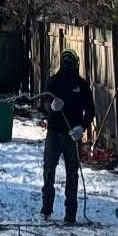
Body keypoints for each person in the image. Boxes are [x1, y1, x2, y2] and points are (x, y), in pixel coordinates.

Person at [40, 48, 94, 223]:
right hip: (54, 133)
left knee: (72, 174)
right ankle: (46, 210)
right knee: (48, 171)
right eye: (64, 61)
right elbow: (44, 101)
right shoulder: (53, 81)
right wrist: (51, 106)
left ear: (76, 64)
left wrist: (82, 127)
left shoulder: (83, 85)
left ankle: (70, 214)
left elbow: (90, 111)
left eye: (70, 62)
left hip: (72, 136)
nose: (67, 65)